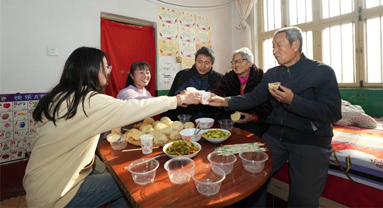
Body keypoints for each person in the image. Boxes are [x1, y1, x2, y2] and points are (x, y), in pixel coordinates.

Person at [23, 47, 201, 208]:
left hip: (42, 183)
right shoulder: (89, 102)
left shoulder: (63, 97)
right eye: (106, 67)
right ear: (92, 69)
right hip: (58, 192)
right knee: (137, 177)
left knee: (125, 178)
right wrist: (179, 99)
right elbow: (132, 107)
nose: (109, 72)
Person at [209, 26, 342, 207]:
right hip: (276, 136)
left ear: (296, 44)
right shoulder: (273, 74)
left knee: (303, 200)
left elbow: (333, 113)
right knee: (249, 179)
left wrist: (293, 100)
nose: (274, 51)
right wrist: (225, 101)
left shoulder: (322, 72)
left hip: (310, 139)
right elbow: (253, 97)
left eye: (279, 46)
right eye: (273, 46)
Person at [210, 47, 271, 137]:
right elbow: (220, 90)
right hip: (233, 117)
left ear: (250, 63)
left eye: (240, 60)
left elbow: (267, 104)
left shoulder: (261, 76)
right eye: (234, 62)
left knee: (248, 136)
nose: (236, 64)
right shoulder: (229, 76)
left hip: (255, 119)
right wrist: (209, 95)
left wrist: (253, 117)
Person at [163, 46, 223, 121]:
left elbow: (223, 102)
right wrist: (181, 96)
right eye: (200, 62)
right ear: (195, 61)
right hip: (185, 119)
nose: (202, 66)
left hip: (210, 120)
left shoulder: (219, 78)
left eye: (207, 63)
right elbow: (172, 96)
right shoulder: (183, 75)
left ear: (212, 64)